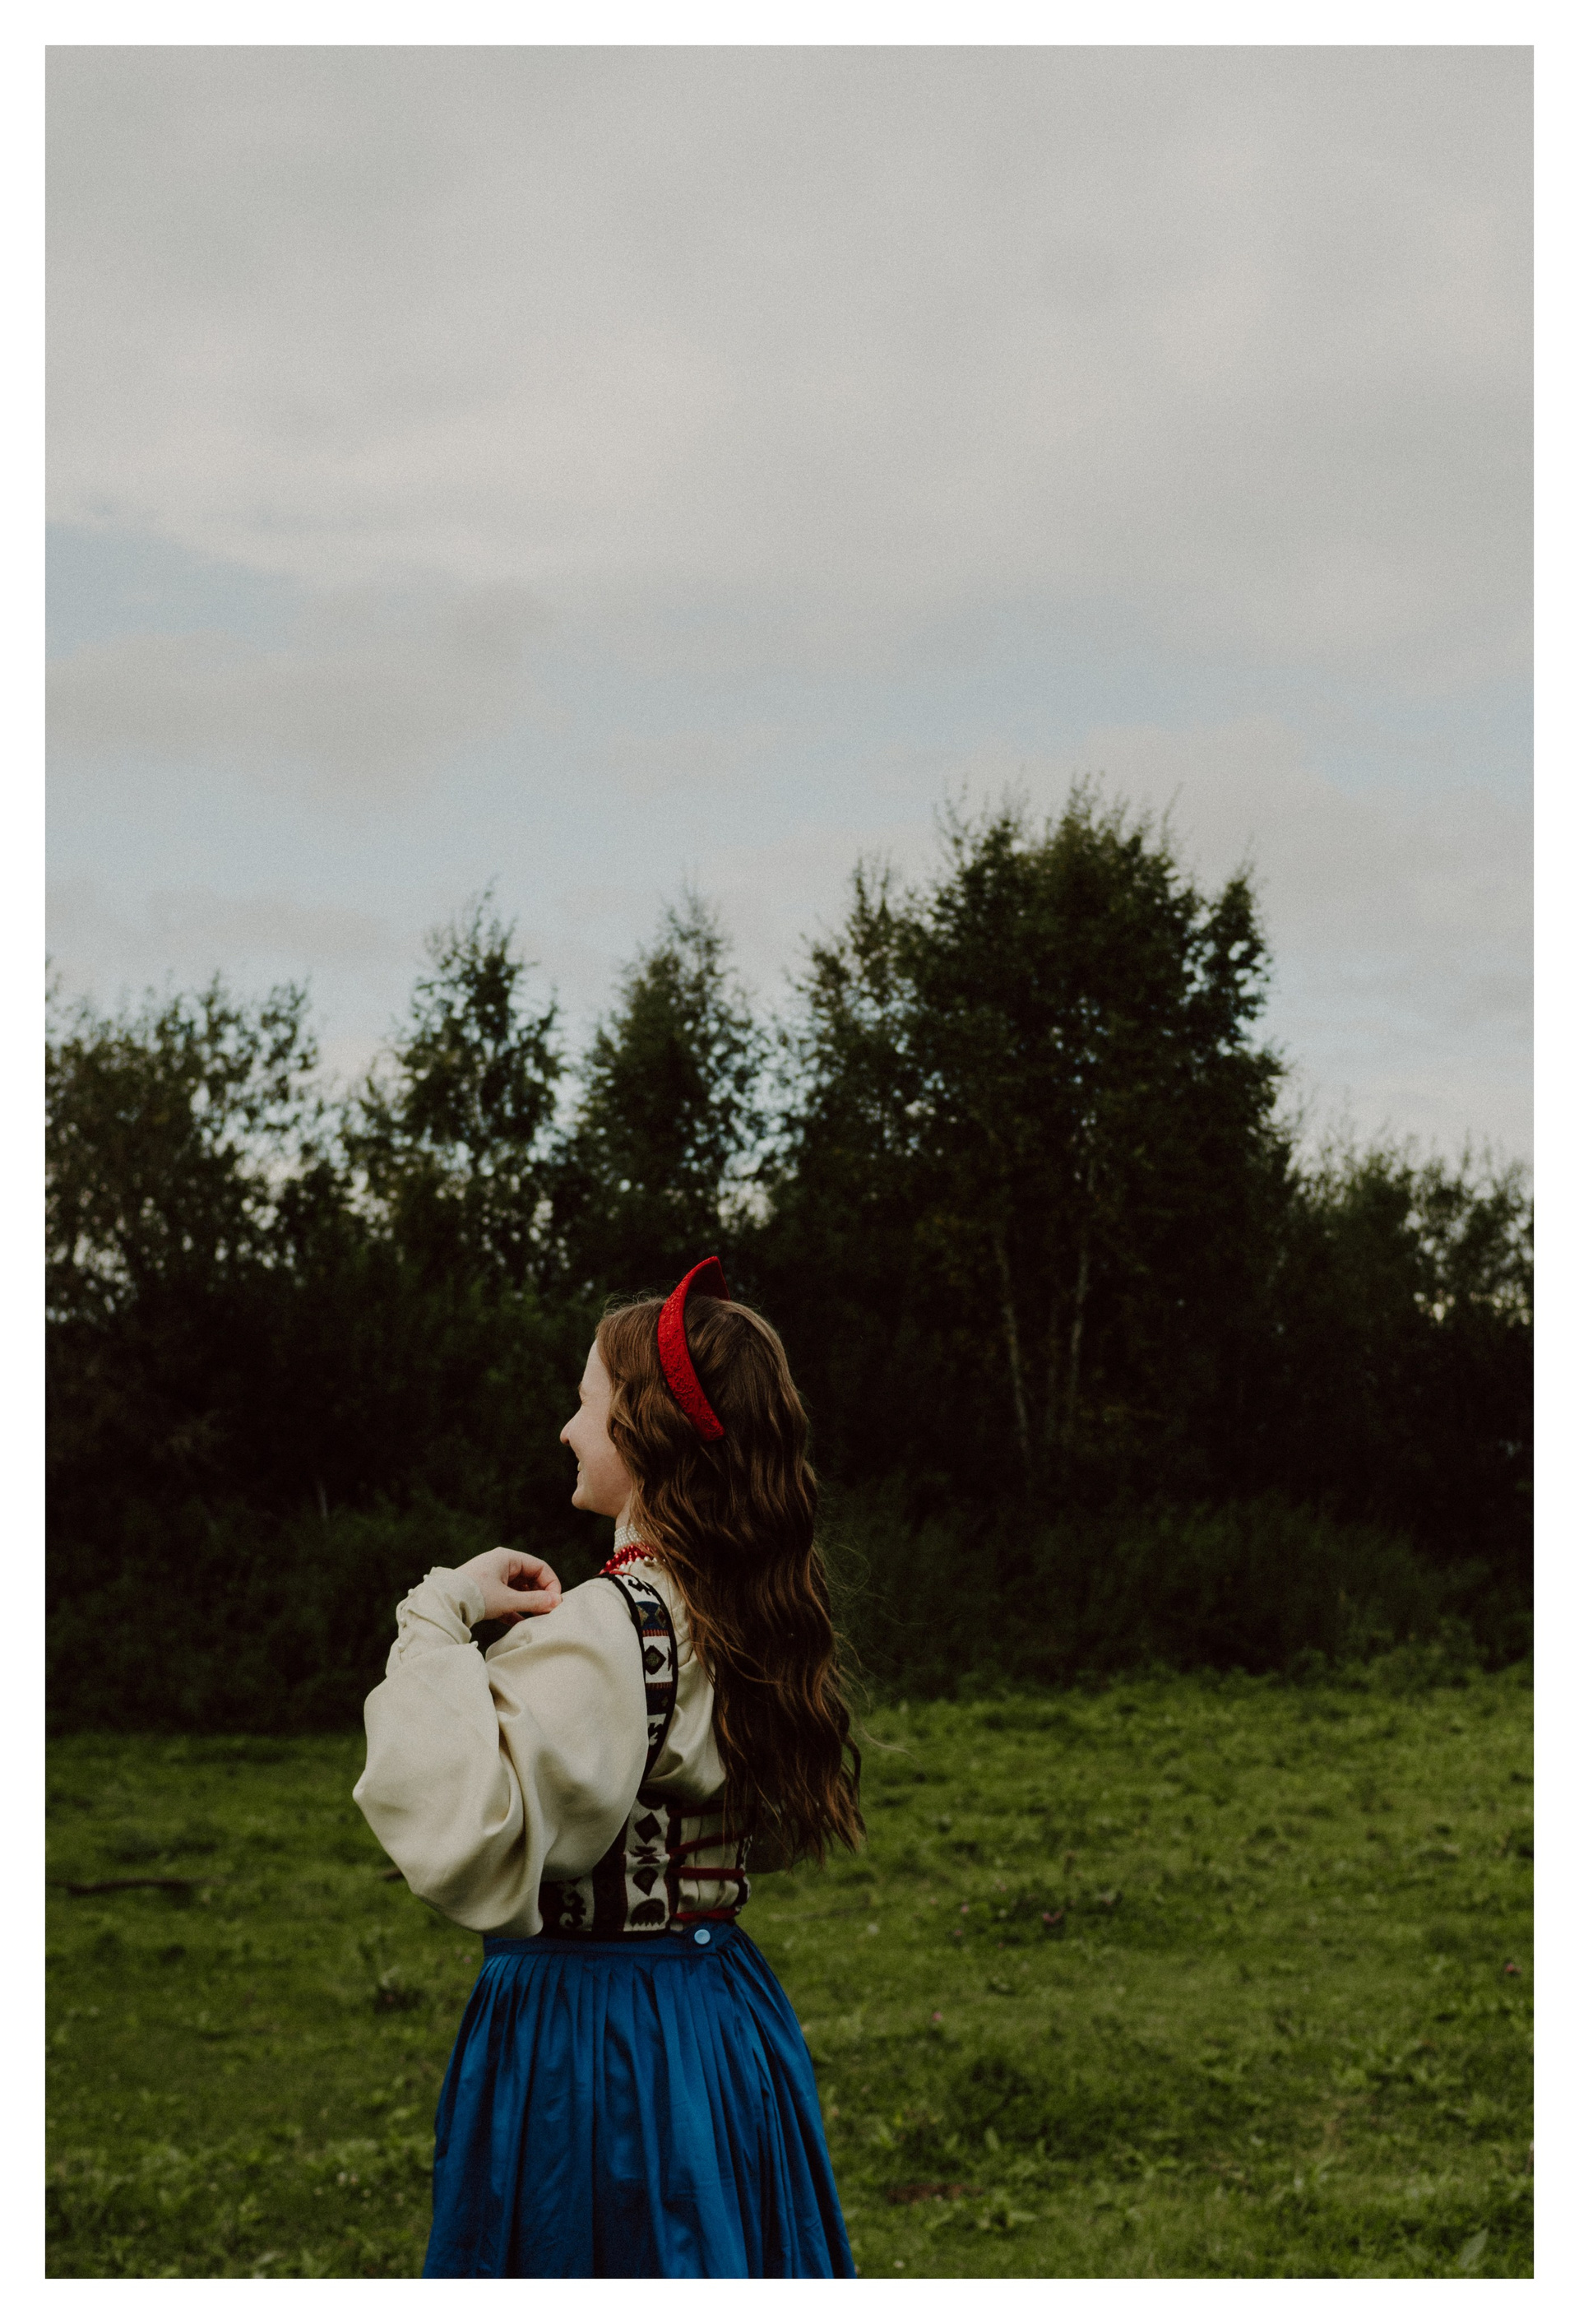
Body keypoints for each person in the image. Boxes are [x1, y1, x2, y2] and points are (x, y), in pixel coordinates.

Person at [353, 1258, 862, 2278]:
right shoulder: (744, 1610)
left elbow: (466, 1828)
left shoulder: (606, 1629)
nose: (566, 1428)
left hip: (594, 2036)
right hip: (719, 2015)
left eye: (585, 1403)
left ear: (643, 1430)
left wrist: (439, 1611)